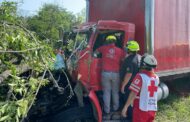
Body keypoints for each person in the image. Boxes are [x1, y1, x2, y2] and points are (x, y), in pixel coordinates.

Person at [121, 54, 159, 122]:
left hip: (141, 109)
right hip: (152, 109)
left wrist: (125, 107)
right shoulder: (156, 78)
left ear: (144, 64)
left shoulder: (140, 77)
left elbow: (133, 93)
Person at [96, 35, 125, 119]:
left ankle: (107, 110)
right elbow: (123, 60)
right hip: (116, 74)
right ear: (115, 42)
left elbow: (95, 53)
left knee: (106, 92)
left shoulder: (103, 48)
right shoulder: (120, 50)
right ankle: (116, 109)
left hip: (105, 74)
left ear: (107, 41)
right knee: (115, 92)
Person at [120, 40, 141, 118]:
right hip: (136, 84)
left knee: (128, 102)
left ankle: (129, 117)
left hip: (129, 85)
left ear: (130, 50)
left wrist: (123, 85)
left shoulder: (129, 60)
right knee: (133, 102)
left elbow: (129, 74)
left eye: (127, 48)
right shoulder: (139, 57)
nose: (126, 49)